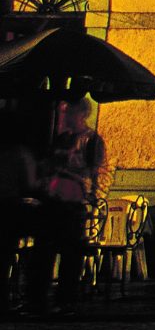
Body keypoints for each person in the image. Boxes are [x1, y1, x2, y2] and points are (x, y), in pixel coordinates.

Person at [29, 100, 105, 314]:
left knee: (71, 254)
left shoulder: (91, 140)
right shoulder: (61, 139)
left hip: (74, 201)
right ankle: (39, 299)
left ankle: (66, 300)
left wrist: (71, 167)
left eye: (67, 112)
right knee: (44, 252)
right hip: (54, 200)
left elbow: (94, 172)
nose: (64, 116)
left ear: (80, 113)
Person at [0, 132, 39, 313]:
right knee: (7, 253)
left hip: (8, 205)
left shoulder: (12, 155)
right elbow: (29, 182)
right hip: (10, 207)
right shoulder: (21, 154)